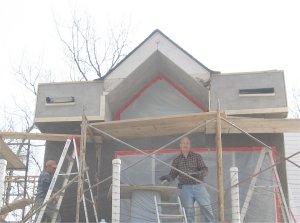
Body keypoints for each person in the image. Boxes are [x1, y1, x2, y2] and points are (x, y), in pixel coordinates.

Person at [160, 136, 215, 223]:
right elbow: (173, 175)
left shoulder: (197, 157)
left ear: (190, 146)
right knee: (189, 213)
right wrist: (168, 178)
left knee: (206, 208)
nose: (185, 145)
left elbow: (205, 170)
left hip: (199, 186)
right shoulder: (177, 160)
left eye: (187, 143)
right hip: (185, 188)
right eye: (183, 143)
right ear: (180, 145)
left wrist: (198, 174)